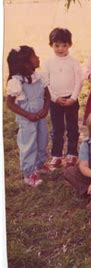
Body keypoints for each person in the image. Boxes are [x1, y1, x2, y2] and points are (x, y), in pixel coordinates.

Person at [6, 46, 50, 187]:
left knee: (42, 139)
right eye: (34, 56)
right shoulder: (16, 82)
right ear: (25, 63)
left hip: (40, 116)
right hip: (27, 119)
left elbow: (47, 94)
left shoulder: (39, 77)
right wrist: (27, 115)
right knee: (29, 144)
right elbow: (10, 104)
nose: (38, 58)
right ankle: (28, 173)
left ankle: (39, 165)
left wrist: (45, 108)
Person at [44, 28, 83, 168]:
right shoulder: (48, 63)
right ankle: (56, 155)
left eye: (64, 45)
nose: (60, 49)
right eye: (57, 45)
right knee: (57, 128)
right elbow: (46, 82)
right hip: (56, 101)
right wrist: (54, 98)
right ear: (51, 45)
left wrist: (73, 98)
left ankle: (72, 153)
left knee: (72, 127)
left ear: (70, 45)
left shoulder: (73, 62)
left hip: (71, 100)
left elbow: (79, 81)